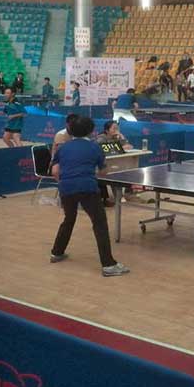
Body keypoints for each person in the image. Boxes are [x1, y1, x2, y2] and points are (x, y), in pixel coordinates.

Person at [50, 115, 130, 277]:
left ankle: (56, 253)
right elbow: (103, 171)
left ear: (71, 130)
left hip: (66, 188)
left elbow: (55, 171)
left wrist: (66, 183)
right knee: (99, 223)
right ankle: (108, 265)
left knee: (69, 219)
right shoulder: (95, 147)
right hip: (87, 188)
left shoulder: (63, 147)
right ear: (91, 131)